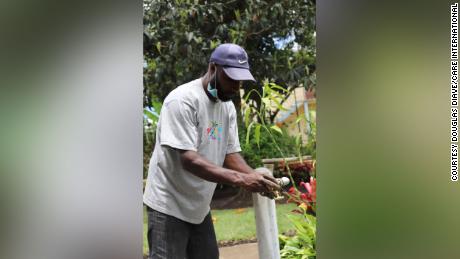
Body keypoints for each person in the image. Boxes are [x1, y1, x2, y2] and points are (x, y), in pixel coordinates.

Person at [143, 43, 281, 259]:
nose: (236, 87)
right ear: (213, 68)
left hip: (198, 207)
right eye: (231, 79)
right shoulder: (182, 101)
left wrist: (254, 176)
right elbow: (189, 160)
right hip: (168, 204)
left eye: (240, 81)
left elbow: (230, 154)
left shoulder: (226, 107)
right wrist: (241, 180)